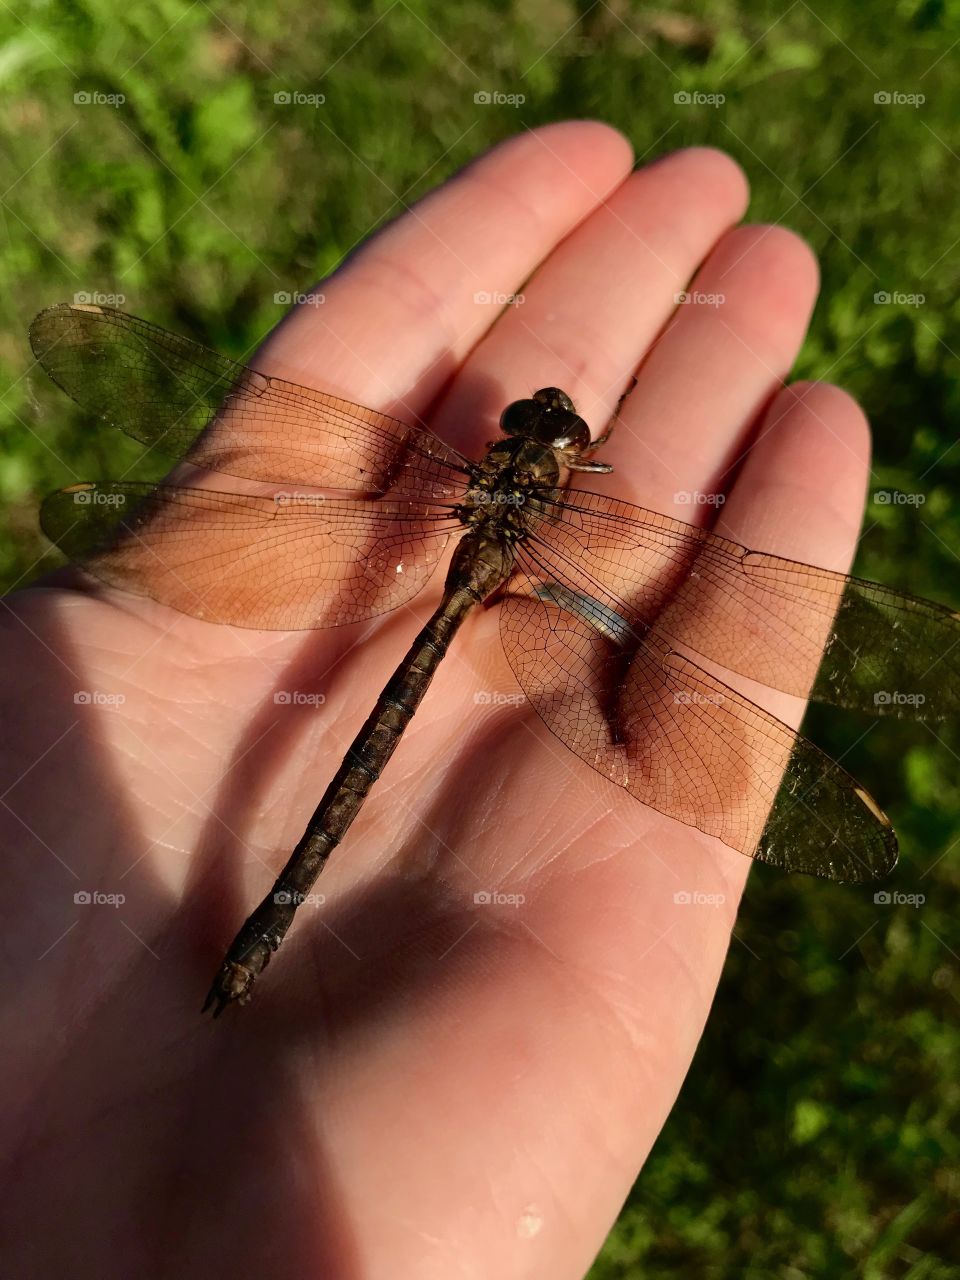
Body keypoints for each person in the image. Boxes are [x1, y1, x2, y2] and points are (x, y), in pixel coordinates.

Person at [0, 121, 872, 1277]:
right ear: (566, 465)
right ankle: (256, 943)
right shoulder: (576, 504)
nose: (541, 431)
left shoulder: (464, 473)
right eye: (547, 434)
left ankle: (254, 937)